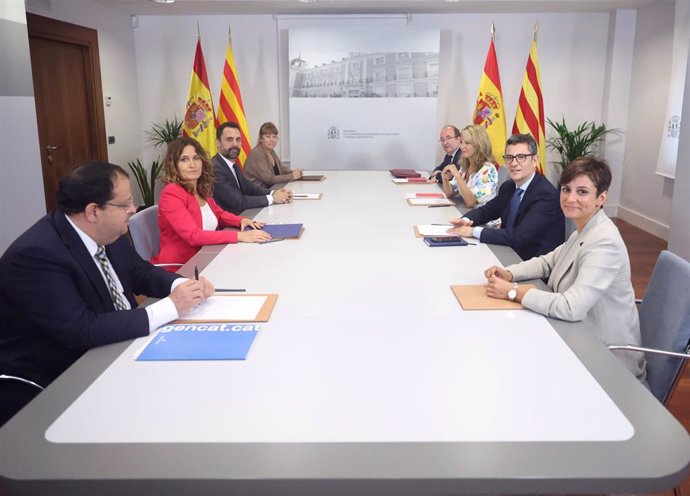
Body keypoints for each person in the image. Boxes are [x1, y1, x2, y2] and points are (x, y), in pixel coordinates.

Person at [0, 161, 215, 426]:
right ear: (93, 211)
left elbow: (140, 273)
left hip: (120, 346)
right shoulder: (37, 255)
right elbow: (82, 330)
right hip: (60, 382)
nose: (133, 209)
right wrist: (170, 307)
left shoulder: (106, 231)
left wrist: (181, 286)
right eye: (124, 205)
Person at [483, 157, 645, 380]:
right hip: (577, 334)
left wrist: (512, 291)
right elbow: (547, 262)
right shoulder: (585, 228)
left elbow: (571, 307)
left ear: (601, 198)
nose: (570, 198)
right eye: (566, 189)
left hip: (606, 360)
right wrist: (510, 273)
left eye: (582, 192)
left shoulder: (604, 242)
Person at [152, 137, 271, 270]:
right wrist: (240, 236)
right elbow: (193, 236)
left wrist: (241, 220)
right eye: (184, 159)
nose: (192, 164)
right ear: (173, 165)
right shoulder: (171, 193)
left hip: (208, 256)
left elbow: (218, 214)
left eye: (196, 158)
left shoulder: (200, 187)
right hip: (183, 266)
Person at [447, 133, 564, 260]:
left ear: (534, 160)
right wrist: (464, 221)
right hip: (506, 252)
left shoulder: (546, 195)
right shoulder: (508, 187)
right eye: (509, 157)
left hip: (531, 265)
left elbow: (519, 236)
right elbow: (486, 211)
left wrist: (473, 231)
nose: (513, 163)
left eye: (521, 157)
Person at [213, 122, 292, 215]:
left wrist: (274, 193)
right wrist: (273, 198)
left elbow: (250, 189)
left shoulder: (233, 165)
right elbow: (238, 202)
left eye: (238, 139)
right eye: (229, 139)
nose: (235, 144)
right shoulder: (215, 169)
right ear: (218, 143)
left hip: (246, 214)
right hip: (230, 223)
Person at [440, 124, 497, 208]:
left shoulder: (488, 170)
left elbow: (471, 202)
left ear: (478, 144)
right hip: (466, 214)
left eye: (467, 143)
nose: (462, 147)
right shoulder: (466, 166)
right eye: (461, 142)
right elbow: (450, 193)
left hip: (484, 220)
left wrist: (458, 176)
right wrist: (444, 177)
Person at [244, 122, 303, 188]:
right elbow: (269, 179)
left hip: (270, 189)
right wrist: (292, 176)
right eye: (268, 136)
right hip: (257, 194)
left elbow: (281, 169)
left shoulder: (271, 151)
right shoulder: (257, 154)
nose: (271, 140)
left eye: (274, 137)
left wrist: (293, 172)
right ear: (261, 139)